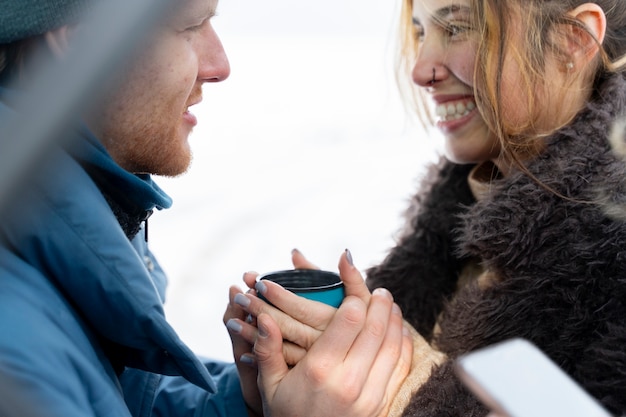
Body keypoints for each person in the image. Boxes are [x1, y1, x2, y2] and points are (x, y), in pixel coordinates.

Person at [0, 1, 412, 416]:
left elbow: (121, 400)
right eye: (189, 27)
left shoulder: (70, 238)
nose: (220, 65)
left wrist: (250, 401)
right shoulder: (16, 349)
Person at [225, 0, 626, 415]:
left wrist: (403, 393)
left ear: (571, 43)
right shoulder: (453, 224)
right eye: (420, 34)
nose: (420, 70)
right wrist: (281, 397)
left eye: (456, 29)